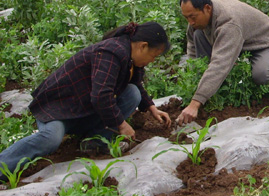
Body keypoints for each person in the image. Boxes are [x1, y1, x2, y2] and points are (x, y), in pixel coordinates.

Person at [0, 22, 172, 178]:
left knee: (132, 93)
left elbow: (135, 83)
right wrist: (121, 124)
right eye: (154, 55)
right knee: (50, 139)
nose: (152, 60)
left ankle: (94, 142)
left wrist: (151, 108)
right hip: (58, 109)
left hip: (82, 109)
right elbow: (101, 96)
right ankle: (3, 166)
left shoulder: (131, 58)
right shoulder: (112, 52)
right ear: (143, 46)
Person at [176, 0, 269, 125]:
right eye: (186, 17)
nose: (190, 22)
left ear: (207, 8)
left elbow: (220, 64)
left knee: (262, 75)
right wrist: (193, 77)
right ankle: (207, 84)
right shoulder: (198, 16)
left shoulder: (229, 23)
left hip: (266, 43)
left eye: (192, 17)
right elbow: (192, 48)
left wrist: (195, 103)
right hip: (241, 41)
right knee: (198, 34)